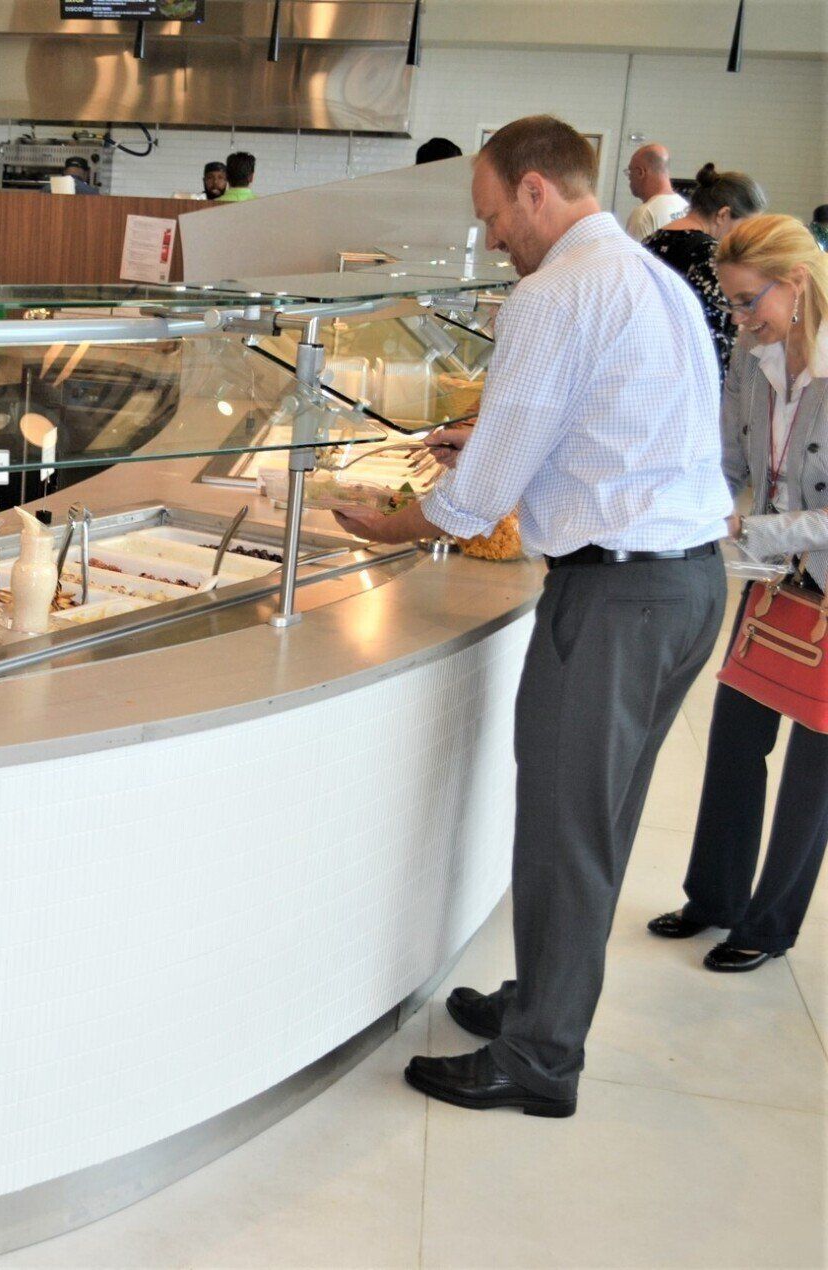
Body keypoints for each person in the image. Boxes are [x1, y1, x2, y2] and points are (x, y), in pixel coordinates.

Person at [333, 115, 730, 1118]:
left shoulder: (554, 293)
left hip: (616, 597)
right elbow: (612, 421)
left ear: (538, 191)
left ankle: (542, 1058)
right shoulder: (653, 279)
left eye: (496, 215)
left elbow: (479, 499)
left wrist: (393, 523)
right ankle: (540, 1002)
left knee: (566, 830)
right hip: (685, 586)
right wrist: (494, 434)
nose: (494, 237)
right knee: (596, 822)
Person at [647, 213, 828, 973]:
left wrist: (754, 528)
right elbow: (723, 461)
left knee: (813, 774)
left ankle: (771, 921)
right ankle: (714, 897)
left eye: (750, 301)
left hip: (797, 561)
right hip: (771, 579)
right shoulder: (752, 361)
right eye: (732, 304)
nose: (741, 319)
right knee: (733, 740)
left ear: (796, 284)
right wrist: (688, 510)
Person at [642, 164, 766, 373]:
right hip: (691, 376)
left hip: (650, 366)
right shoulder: (710, 257)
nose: (746, 236)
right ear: (723, 214)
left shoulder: (650, 242)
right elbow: (719, 340)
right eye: (746, 227)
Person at [624, 142, 688, 241]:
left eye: (630, 172)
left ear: (640, 172)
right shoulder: (685, 206)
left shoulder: (643, 215)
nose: (629, 178)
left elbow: (633, 256)